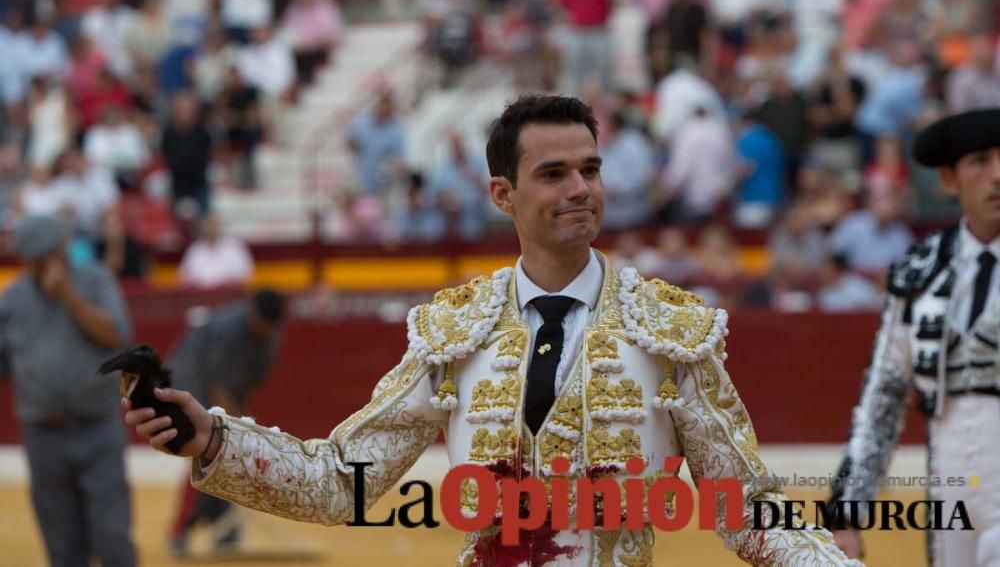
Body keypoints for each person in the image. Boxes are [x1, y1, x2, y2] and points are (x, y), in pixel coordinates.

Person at [124, 95, 858, 565]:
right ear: (501, 194)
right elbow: (337, 484)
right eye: (554, 173)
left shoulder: (669, 331)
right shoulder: (455, 333)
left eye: (591, 169)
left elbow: (747, 510)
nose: (580, 188)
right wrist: (213, 439)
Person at [828, 108, 1000, 564]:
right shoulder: (919, 271)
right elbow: (883, 394)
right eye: (980, 161)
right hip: (951, 488)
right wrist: (848, 507)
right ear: (949, 179)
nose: (998, 176)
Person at [0, 214, 135, 566]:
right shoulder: (12, 300)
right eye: (34, 258)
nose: (42, 264)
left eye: (48, 254)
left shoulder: (95, 279)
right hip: (44, 432)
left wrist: (68, 297)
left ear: (61, 249)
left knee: (112, 535)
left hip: (96, 426)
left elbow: (115, 334)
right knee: (61, 543)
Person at [167, 289, 286, 556]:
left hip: (225, 392)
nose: (265, 330)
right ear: (253, 313)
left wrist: (237, 424)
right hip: (191, 387)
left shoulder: (267, 337)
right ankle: (183, 528)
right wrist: (235, 427)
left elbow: (242, 383)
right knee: (208, 453)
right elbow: (217, 385)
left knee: (224, 455)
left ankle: (222, 527)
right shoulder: (229, 330)